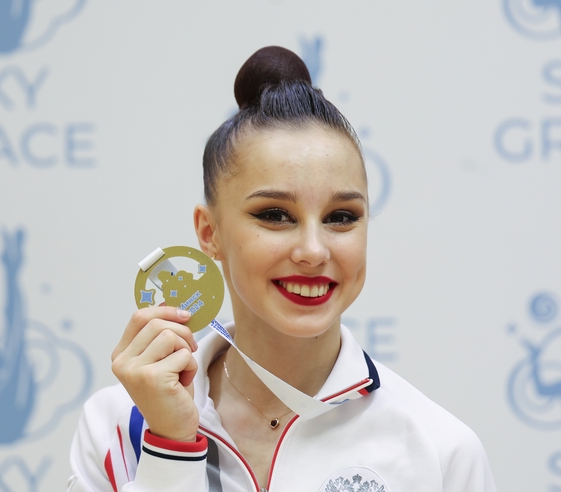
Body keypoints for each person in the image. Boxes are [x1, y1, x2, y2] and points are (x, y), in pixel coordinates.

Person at [67, 46, 497, 492]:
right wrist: (170, 446)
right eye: (275, 215)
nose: (313, 251)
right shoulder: (116, 427)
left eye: (341, 217)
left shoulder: (441, 451)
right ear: (209, 232)